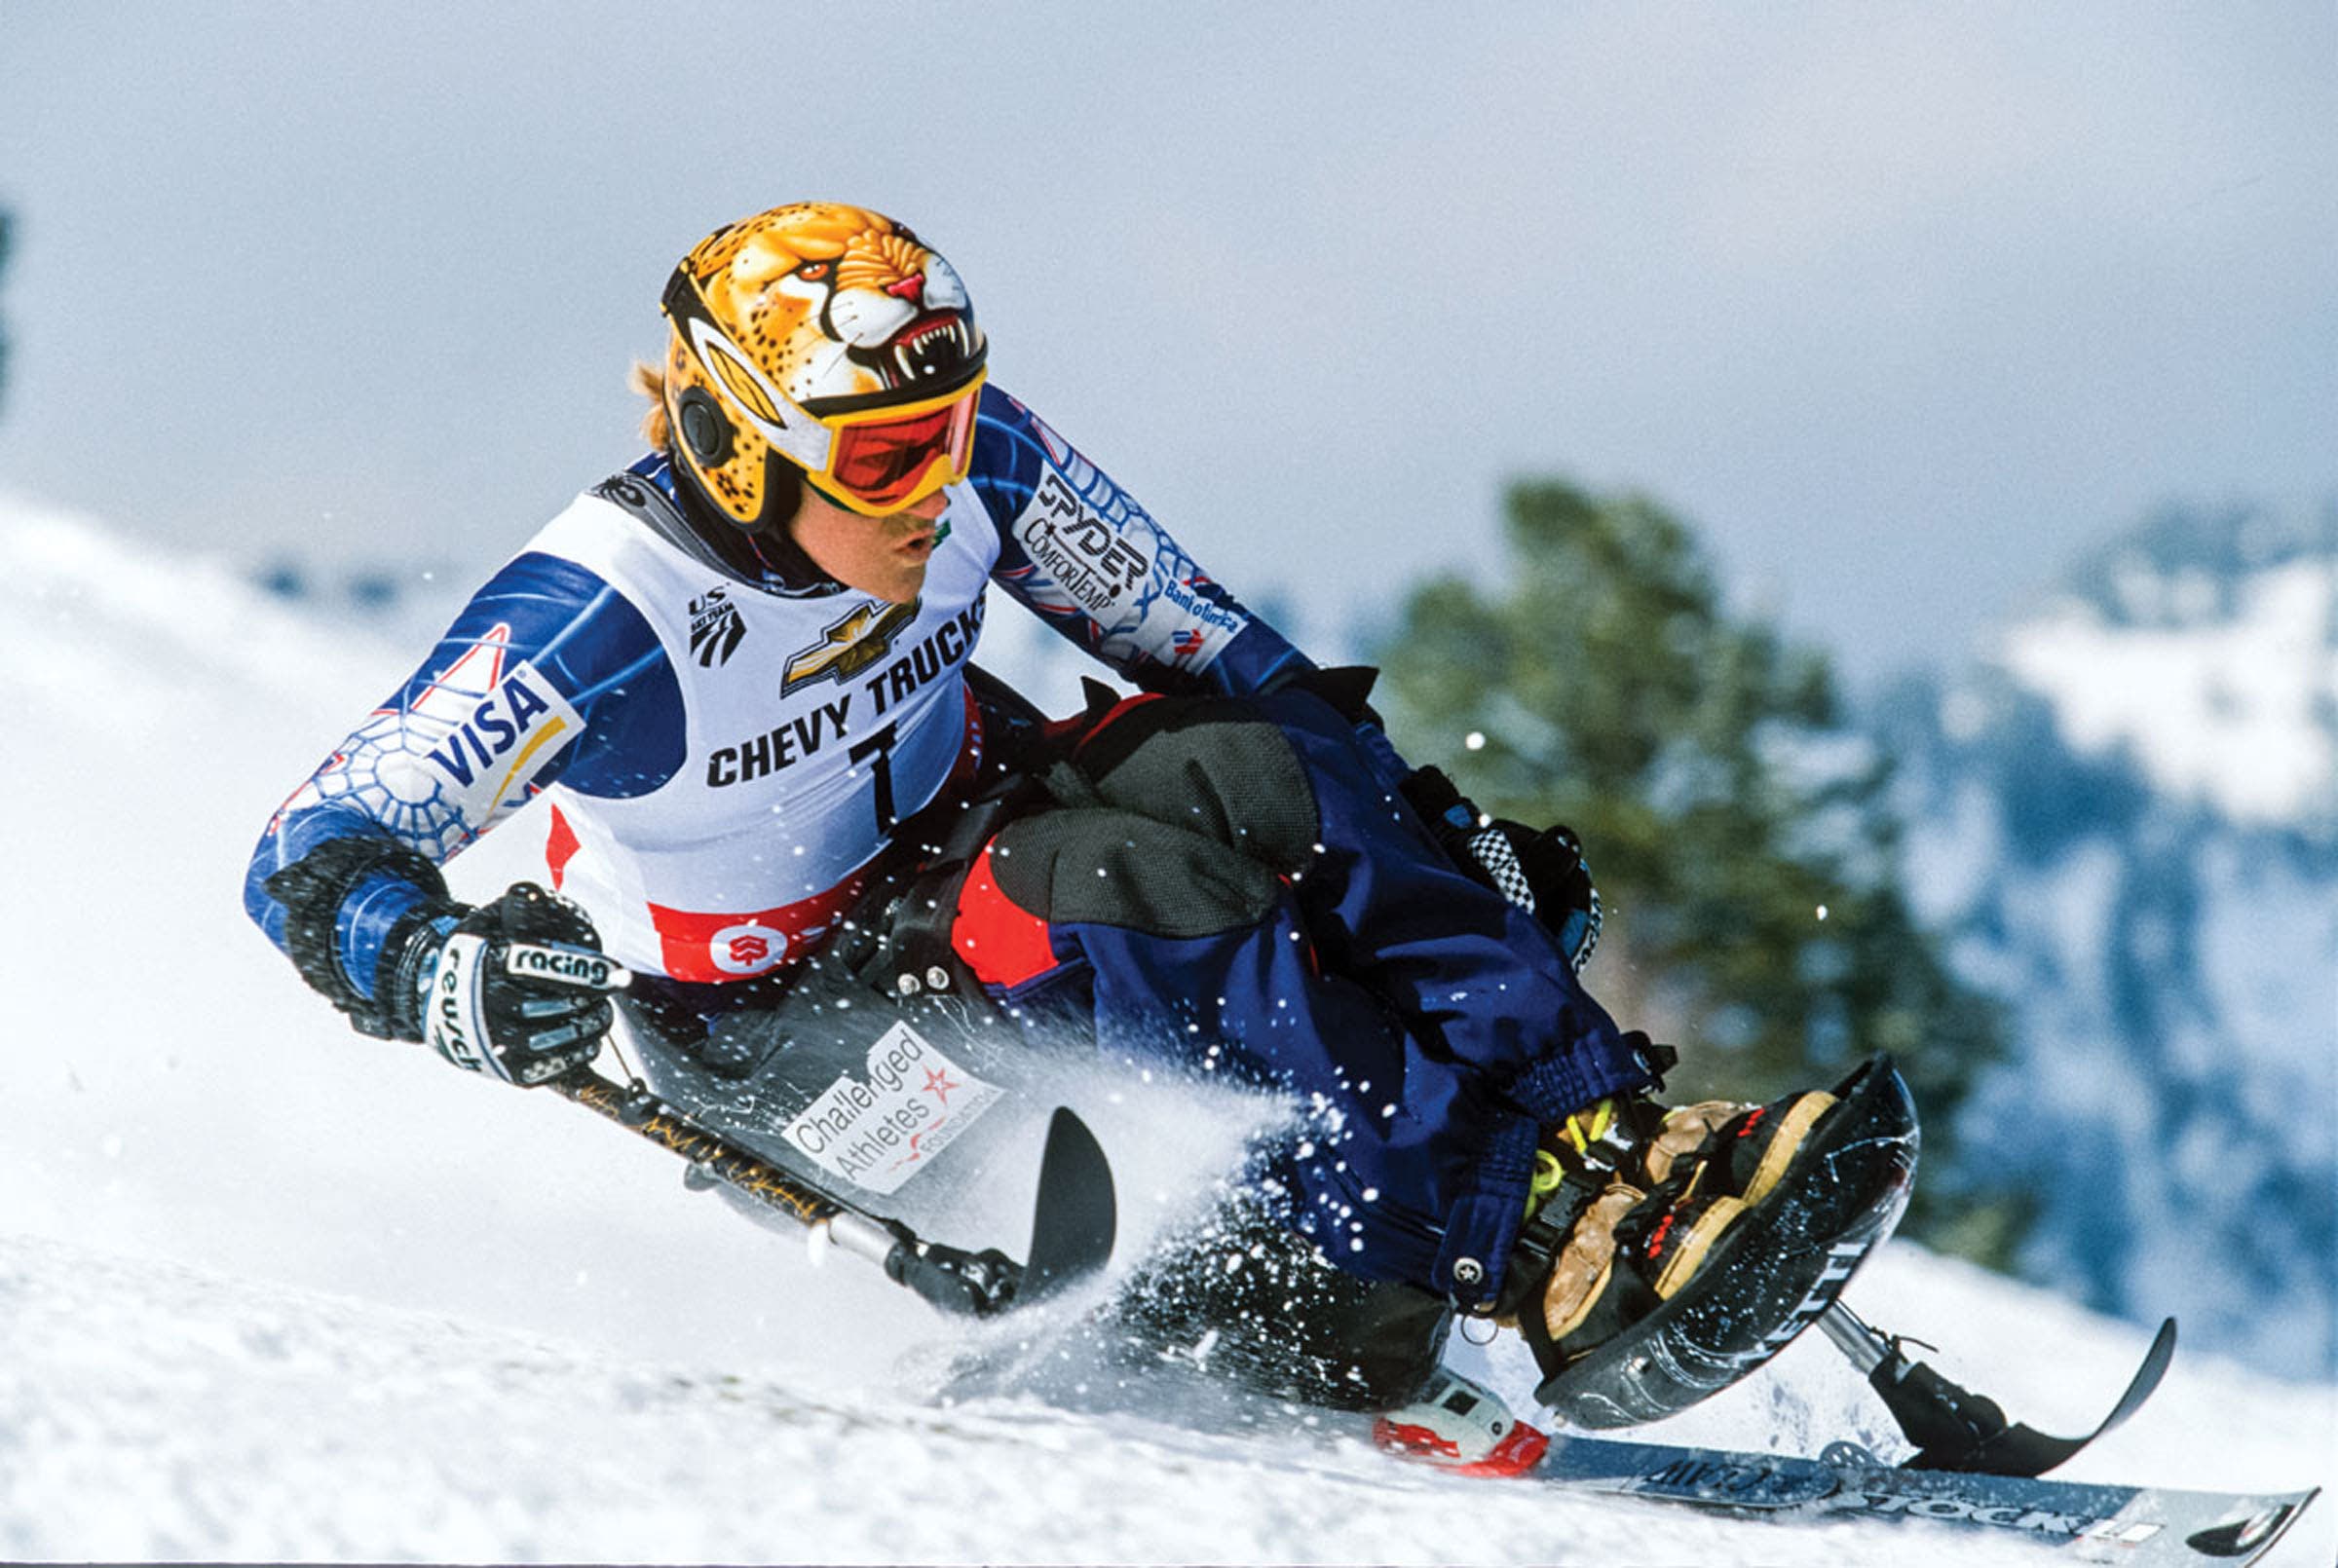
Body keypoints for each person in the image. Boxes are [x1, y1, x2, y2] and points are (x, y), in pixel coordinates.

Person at [245, 202, 1832, 1412]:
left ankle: (1617, 1128)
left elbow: (1210, 644)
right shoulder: (603, 615)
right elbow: (312, 851)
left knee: (1256, 763)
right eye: (880, 454)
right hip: (793, 1026)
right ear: (739, 449)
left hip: (966, 835)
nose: (934, 484)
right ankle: (1518, 1244)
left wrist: (1423, 833)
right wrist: (433, 964)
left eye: (943, 431)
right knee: (1132, 891)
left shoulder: (974, 460)